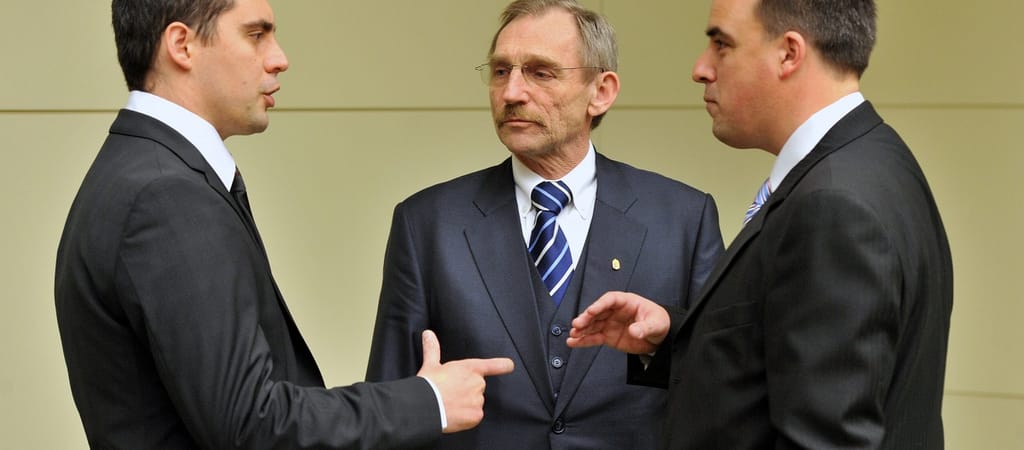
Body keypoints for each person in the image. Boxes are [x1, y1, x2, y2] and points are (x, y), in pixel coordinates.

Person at [54, 1, 513, 448]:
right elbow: (250, 424)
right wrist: (428, 402)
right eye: (256, 35)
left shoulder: (139, 171)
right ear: (182, 45)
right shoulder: (168, 196)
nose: (280, 59)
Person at [567, 0, 953, 448]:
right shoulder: (876, 159)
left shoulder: (833, 205)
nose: (700, 69)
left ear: (789, 53)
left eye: (721, 44)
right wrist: (673, 337)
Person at [364, 0, 724, 448]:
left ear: (601, 91)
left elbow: (722, 385)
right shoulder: (428, 224)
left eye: (540, 72)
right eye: (500, 72)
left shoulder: (683, 218)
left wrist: (659, 342)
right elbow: (388, 405)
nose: (512, 92)